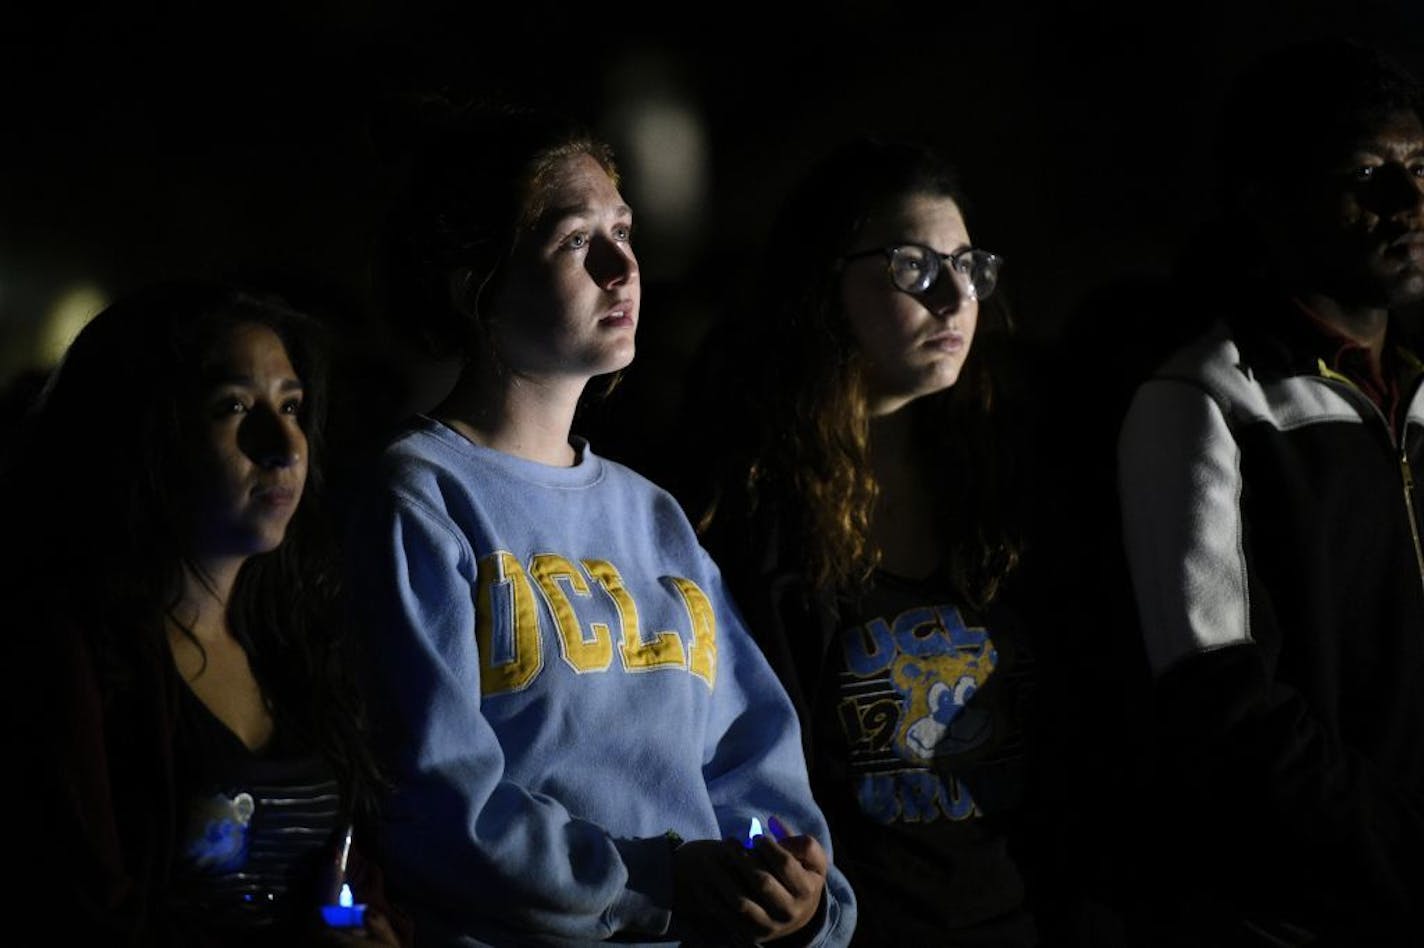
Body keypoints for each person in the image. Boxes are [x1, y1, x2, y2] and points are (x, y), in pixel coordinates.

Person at [344, 101, 856, 946]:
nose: (625, 266)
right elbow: (439, 793)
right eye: (579, 241)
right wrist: (652, 883)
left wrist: (794, 893)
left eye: (625, 231)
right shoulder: (422, 496)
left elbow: (745, 753)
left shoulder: (652, 516)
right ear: (479, 281)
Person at [687, 135, 1048, 946]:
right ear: (824, 283)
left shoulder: (1010, 485)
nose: (956, 298)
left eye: (970, 266)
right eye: (914, 267)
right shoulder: (748, 515)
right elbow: (732, 771)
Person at [1116, 38, 1424, 945]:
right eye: (1366, 173)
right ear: (1270, 200)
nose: (1406, 202)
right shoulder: (1204, 399)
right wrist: (1401, 857)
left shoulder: (1417, 395)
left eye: (1418, 167)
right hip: (1299, 918)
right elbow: (1225, 707)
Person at [2, 281, 407, 946]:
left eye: (293, 406)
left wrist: (367, 923)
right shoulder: (62, 653)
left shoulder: (297, 643)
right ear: (147, 431)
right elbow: (71, 909)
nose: (284, 444)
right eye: (233, 407)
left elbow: (340, 875)